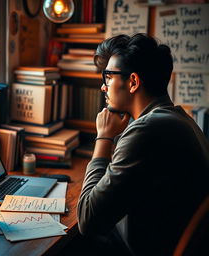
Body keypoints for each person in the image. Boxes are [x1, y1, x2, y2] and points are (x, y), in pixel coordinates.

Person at [77, 33, 209, 256]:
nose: (103, 87)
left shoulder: (148, 130)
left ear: (133, 82)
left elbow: (87, 220)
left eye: (108, 77)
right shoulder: (179, 119)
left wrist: (104, 136)